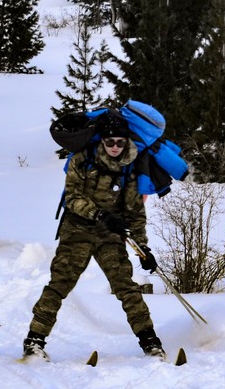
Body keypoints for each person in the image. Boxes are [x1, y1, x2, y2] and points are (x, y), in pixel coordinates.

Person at [24, 109, 164, 360]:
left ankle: (151, 343)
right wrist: (100, 214)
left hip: (109, 235)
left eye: (120, 142)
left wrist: (143, 248)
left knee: (126, 288)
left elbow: (135, 211)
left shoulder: (130, 167)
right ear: (102, 141)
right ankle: (34, 341)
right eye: (110, 142)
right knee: (60, 285)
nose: (115, 147)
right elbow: (72, 198)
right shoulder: (83, 159)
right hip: (77, 230)